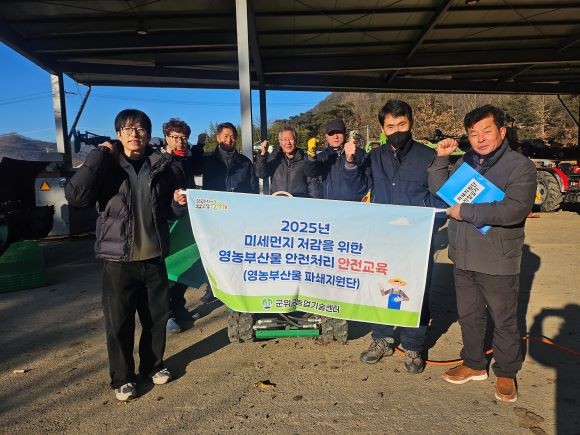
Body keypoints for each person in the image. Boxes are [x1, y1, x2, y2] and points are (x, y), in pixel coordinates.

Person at [65, 109, 187, 402]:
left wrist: (177, 204)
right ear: (118, 134)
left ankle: (153, 366)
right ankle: (122, 377)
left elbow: (167, 212)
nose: (135, 134)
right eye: (128, 129)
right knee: (119, 323)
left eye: (140, 129)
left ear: (148, 134)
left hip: (153, 257)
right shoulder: (107, 166)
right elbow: (76, 196)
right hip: (118, 260)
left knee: (156, 318)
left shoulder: (161, 166)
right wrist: (99, 155)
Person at [427, 104, 536, 403]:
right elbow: (440, 189)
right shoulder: (466, 163)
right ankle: (474, 363)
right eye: (473, 134)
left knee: (504, 319)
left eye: (487, 131)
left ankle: (506, 371)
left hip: (497, 259)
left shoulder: (520, 166)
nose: (480, 138)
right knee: (469, 315)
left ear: (502, 131)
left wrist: (467, 211)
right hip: (463, 256)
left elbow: (515, 209)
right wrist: (441, 159)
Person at [357, 99, 446, 373]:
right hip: (382, 237)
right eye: (390, 126)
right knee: (380, 286)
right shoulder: (374, 157)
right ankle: (382, 337)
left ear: (411, 123)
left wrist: (424, 218)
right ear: (382, 128)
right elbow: (353, 188)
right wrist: (349, 162)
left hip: (416, 239)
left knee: (416, 290)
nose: (396, 130)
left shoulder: (427, 156)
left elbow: (441, 198)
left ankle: (413, 344)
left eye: (401, 124)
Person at [161, 118, 196, 334]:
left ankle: (179, 307)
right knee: (168, 270)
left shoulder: (185, 161)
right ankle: (166, 314)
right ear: (166, 138)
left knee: (183, 266)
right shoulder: (160, 162)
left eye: (183, 138)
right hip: (167, 221)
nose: (180, 142)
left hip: (184, 219)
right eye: (175, 137)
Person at [303, 118, 367, 201]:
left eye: (339, 132)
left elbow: (367, 179)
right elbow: (311, 172)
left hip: (355, 203)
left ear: (345, 134)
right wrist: (311, 156)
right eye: (331, 133)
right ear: (326, 137)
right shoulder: (322, 156)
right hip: (330, 203)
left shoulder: (360, 153)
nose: (335, 136)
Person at [190, 122, 259, 193]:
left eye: (232, 137)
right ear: (218, 138)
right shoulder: (208, 159)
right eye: (226, 136)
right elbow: (195, 170)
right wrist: (199, 146)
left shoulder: (245, 162)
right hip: (214, 200)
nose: (229, 140)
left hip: (238, 200)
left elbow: (253, 187)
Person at [255, 125, 320, 198]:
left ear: (296, 141)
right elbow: (261, 174)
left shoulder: (305, 159)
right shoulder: (274, 157)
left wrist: (314, 201)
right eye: (284, 139)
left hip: (299, 202)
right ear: (280, 142)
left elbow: (313, 183)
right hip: (278, 200)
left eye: (291, 139)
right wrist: (262, 154)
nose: (288, 143)